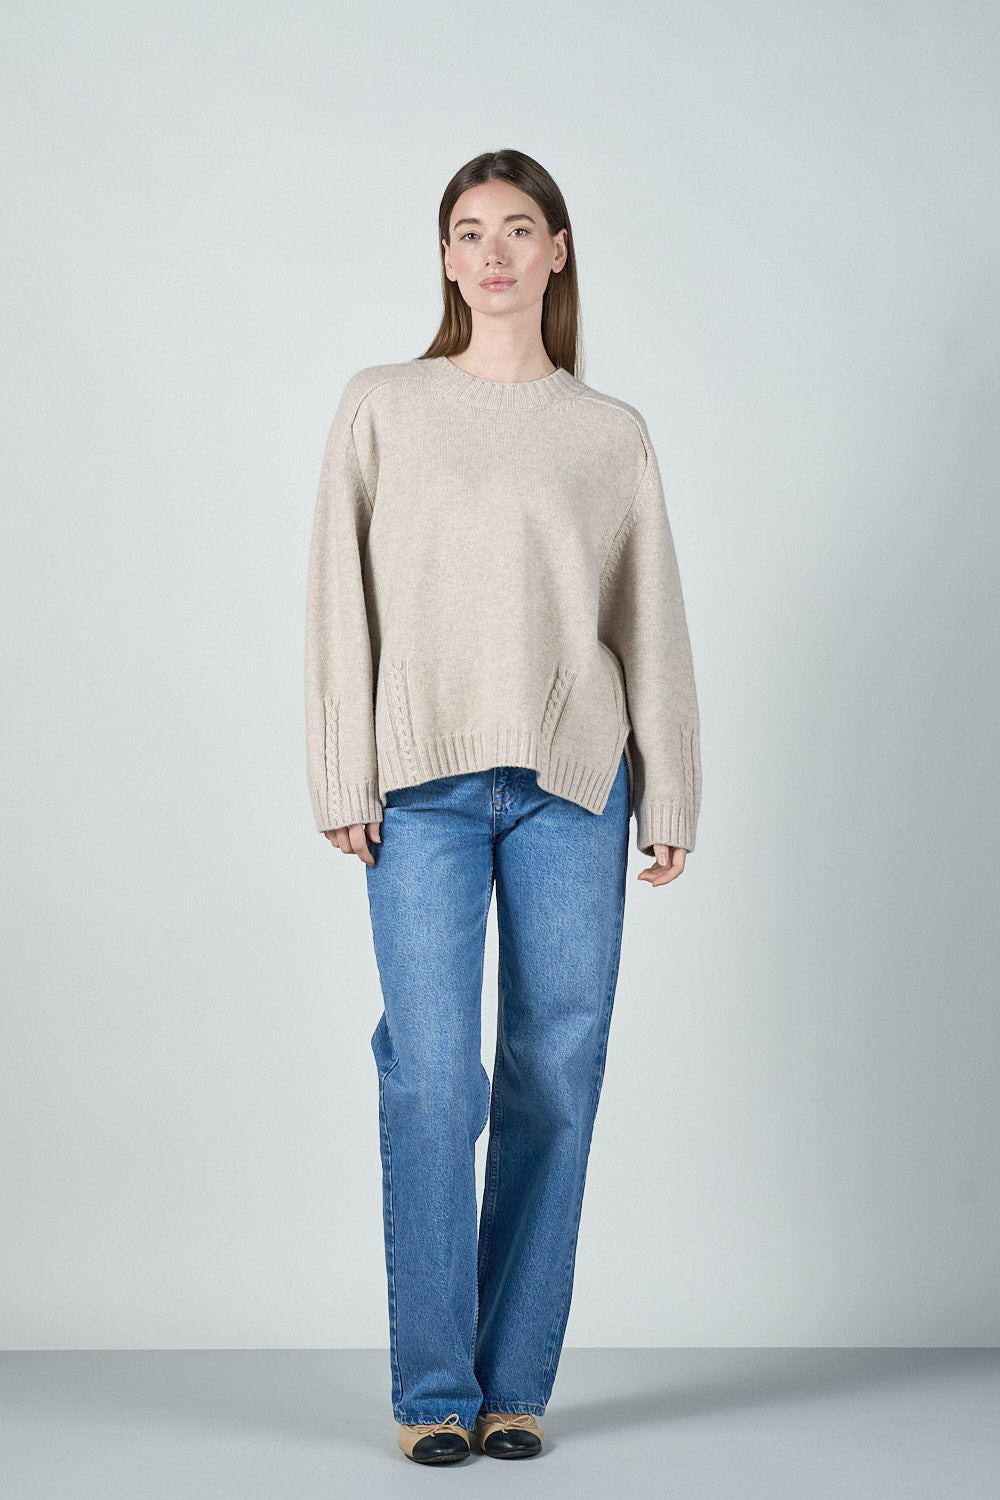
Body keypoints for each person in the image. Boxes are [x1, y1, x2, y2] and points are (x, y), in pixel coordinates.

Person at [304, 148, 702, 1466]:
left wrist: (672, 786)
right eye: (469, 232)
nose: (492, 253)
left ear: (557, 251)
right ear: (443, 258)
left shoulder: (607, 433)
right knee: (434, 1079)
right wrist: (341, 771)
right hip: (418, 787)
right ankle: (434, 1391)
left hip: (573, 789)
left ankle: (512, 1385)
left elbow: (649, 617)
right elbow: (338, 594)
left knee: (557, 1074)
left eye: (517, 230)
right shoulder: (384, 404)